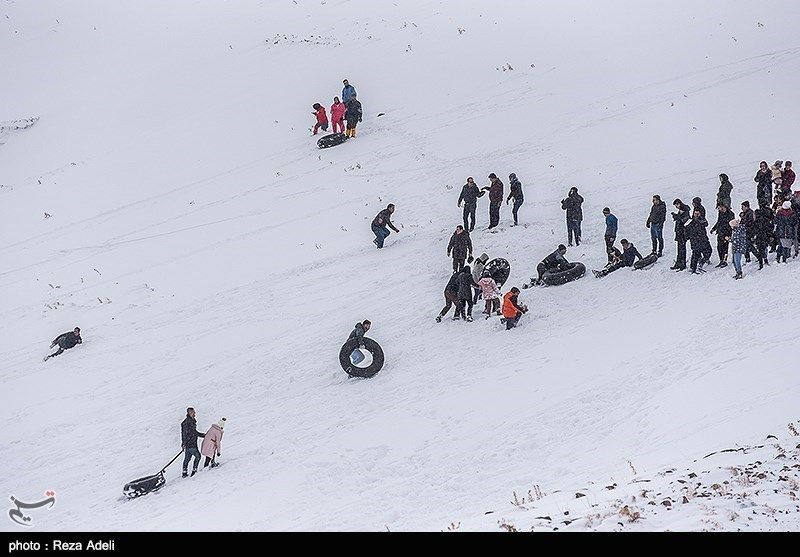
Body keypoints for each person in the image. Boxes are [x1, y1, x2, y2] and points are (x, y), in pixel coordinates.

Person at [684, 208, 713, 273]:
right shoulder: (690, 221)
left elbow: (706, 223)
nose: (696, 215)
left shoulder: (702, 220)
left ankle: (700, 263)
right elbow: (686, 230)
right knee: (695, 254)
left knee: (708, 252)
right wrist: (688, 237)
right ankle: (693, 268)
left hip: (703, 240)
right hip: (695, 241)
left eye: (698, 214)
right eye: (695, 214)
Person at [181, 407, 206, 478]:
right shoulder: (189, 422)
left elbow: (183, 434)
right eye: (194, 412)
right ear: (190, 413)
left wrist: (183, 443)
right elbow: (193, 433)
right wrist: (202, 435)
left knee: (187, 459)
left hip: (187, 444)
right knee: (198, 456)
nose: (195, 413)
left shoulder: (187, 422)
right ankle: (194, 471)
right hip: (191, 443)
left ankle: (184, 472)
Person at [670, 198, 692, 270]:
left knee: (682, 249)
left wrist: (676, 217)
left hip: (682, 232)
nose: (676, 207)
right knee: (679, 248)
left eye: (676, 205)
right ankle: (678, 263)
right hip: (679, 231)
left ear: (679, 203)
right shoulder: (682, 210)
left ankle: (682, 264)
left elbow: (683, 220)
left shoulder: (685, 210)